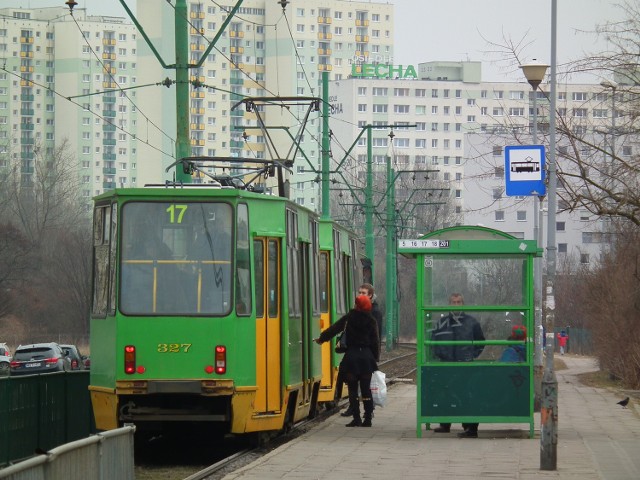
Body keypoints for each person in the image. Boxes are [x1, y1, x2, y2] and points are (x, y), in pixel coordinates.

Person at [314, 295, 380, 427]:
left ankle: (356, 418)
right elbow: (375, 342)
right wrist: (374, 358)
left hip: (352, 356)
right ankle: (368, 418)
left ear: (356, 305)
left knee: (353, 389)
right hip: (366, 357)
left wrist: (322, 339)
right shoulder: (372, 321)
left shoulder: (349, 318)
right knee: (366, 389)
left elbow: (334, 329)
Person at [431, 292, 485, 438]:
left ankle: (470, 427)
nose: (455, 305)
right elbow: (433, 341)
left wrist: (472, 355)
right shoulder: (442, 323)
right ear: (449, 304)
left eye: (458, 302)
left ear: (463, 304)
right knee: (445, 392)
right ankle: (445, 424)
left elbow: (481, 342)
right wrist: (440, 354)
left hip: (464, 364)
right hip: (446, 363)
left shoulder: (471, 322)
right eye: (453, 302)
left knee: (466, 394)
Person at [341, 283, 384, 418]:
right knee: (358, 385)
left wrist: (375, 354)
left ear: (370, 295)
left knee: (362, 386)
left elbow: (376, 335)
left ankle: (363, 413)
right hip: (363, 354)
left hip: (365, 353)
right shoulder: (357, 312)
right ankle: (361, 412)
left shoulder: (374, 312)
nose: (360, 295)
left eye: (363, 293)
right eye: (359, 292)